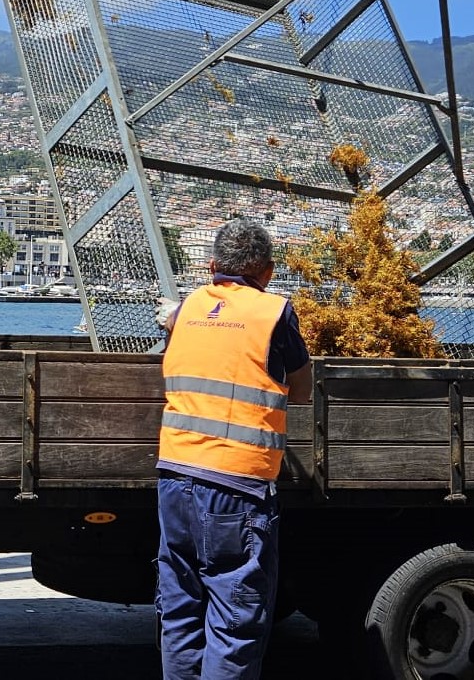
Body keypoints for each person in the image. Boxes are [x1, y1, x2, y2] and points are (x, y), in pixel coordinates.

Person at [156, 218, 311, 680]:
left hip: (174, 478)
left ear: (211, 267)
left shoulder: (184, 309)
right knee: (235, 620)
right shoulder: (273, 312)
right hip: (236, 487)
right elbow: (301, 390)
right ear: (266, 272)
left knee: (180, 611)